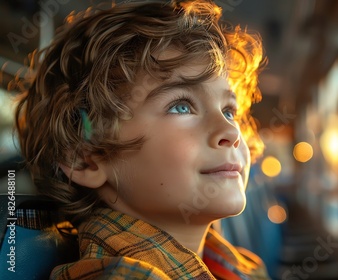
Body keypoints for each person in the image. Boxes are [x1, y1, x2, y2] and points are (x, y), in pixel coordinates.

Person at [14, 0, 268, 279]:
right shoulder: (123, 276)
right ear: (86, 157)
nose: (231, 132)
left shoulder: (233, 263)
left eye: (229, 111)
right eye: (181, 106)